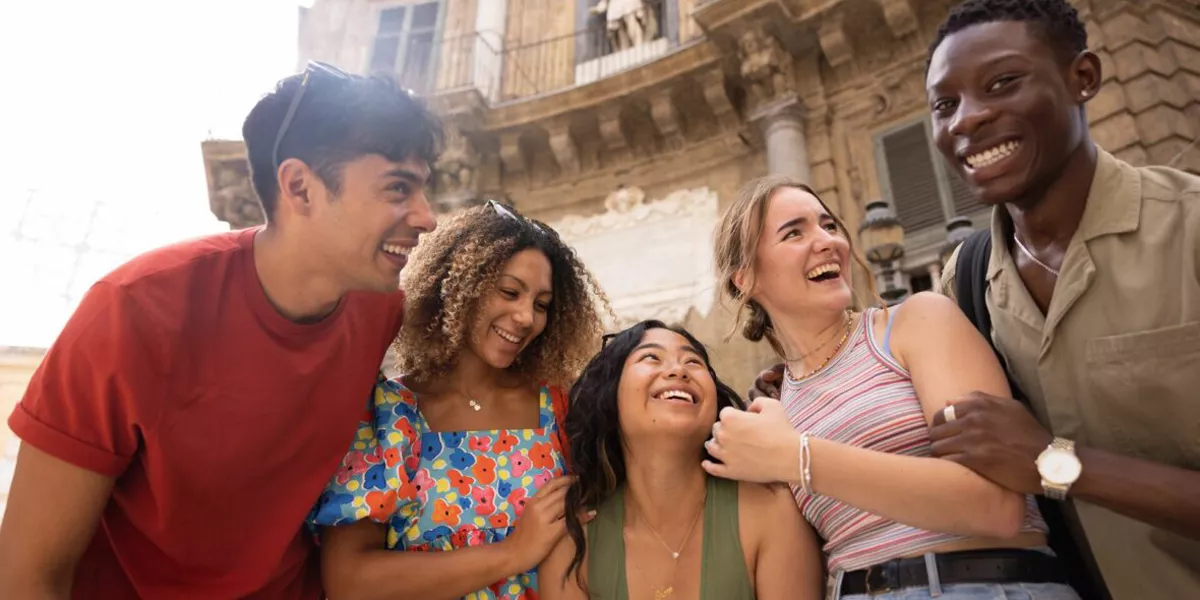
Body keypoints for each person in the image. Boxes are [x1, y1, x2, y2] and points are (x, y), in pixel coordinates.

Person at [751, 1, 1200, 597]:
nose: (969, 118)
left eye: (1003, 82)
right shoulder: (966, 282)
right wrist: (805, 368)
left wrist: (1053, 463)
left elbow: (1020, 477)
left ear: (1083, 77)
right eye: (944, 105)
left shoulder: (1188, 231)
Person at [0, 62, 441, 598]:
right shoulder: (131, 312)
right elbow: (27, 573)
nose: (426, 216)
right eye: (398, 188)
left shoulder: (381, 310)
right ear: (300, 187)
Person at [707, 176, 1078, 599]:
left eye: (829, 225)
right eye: (794, 233)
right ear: (746, 279)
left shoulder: (917, 322)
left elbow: (996, 506)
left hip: (987, 585)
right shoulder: (775, 405)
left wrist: (799, 457)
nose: (829, 242)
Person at [311, 201, 607, 600]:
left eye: (541, 305)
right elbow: (349, 580)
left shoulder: (560, 406)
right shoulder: (388, 413)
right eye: (509, 292)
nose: (526, 317)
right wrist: (512, 553)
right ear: (458, 286)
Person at [538, 320, 824, 600]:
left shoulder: (771, 509)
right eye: (651, 357)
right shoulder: (572, 541)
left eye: (693, 362)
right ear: (609, 395)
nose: (678, 370)